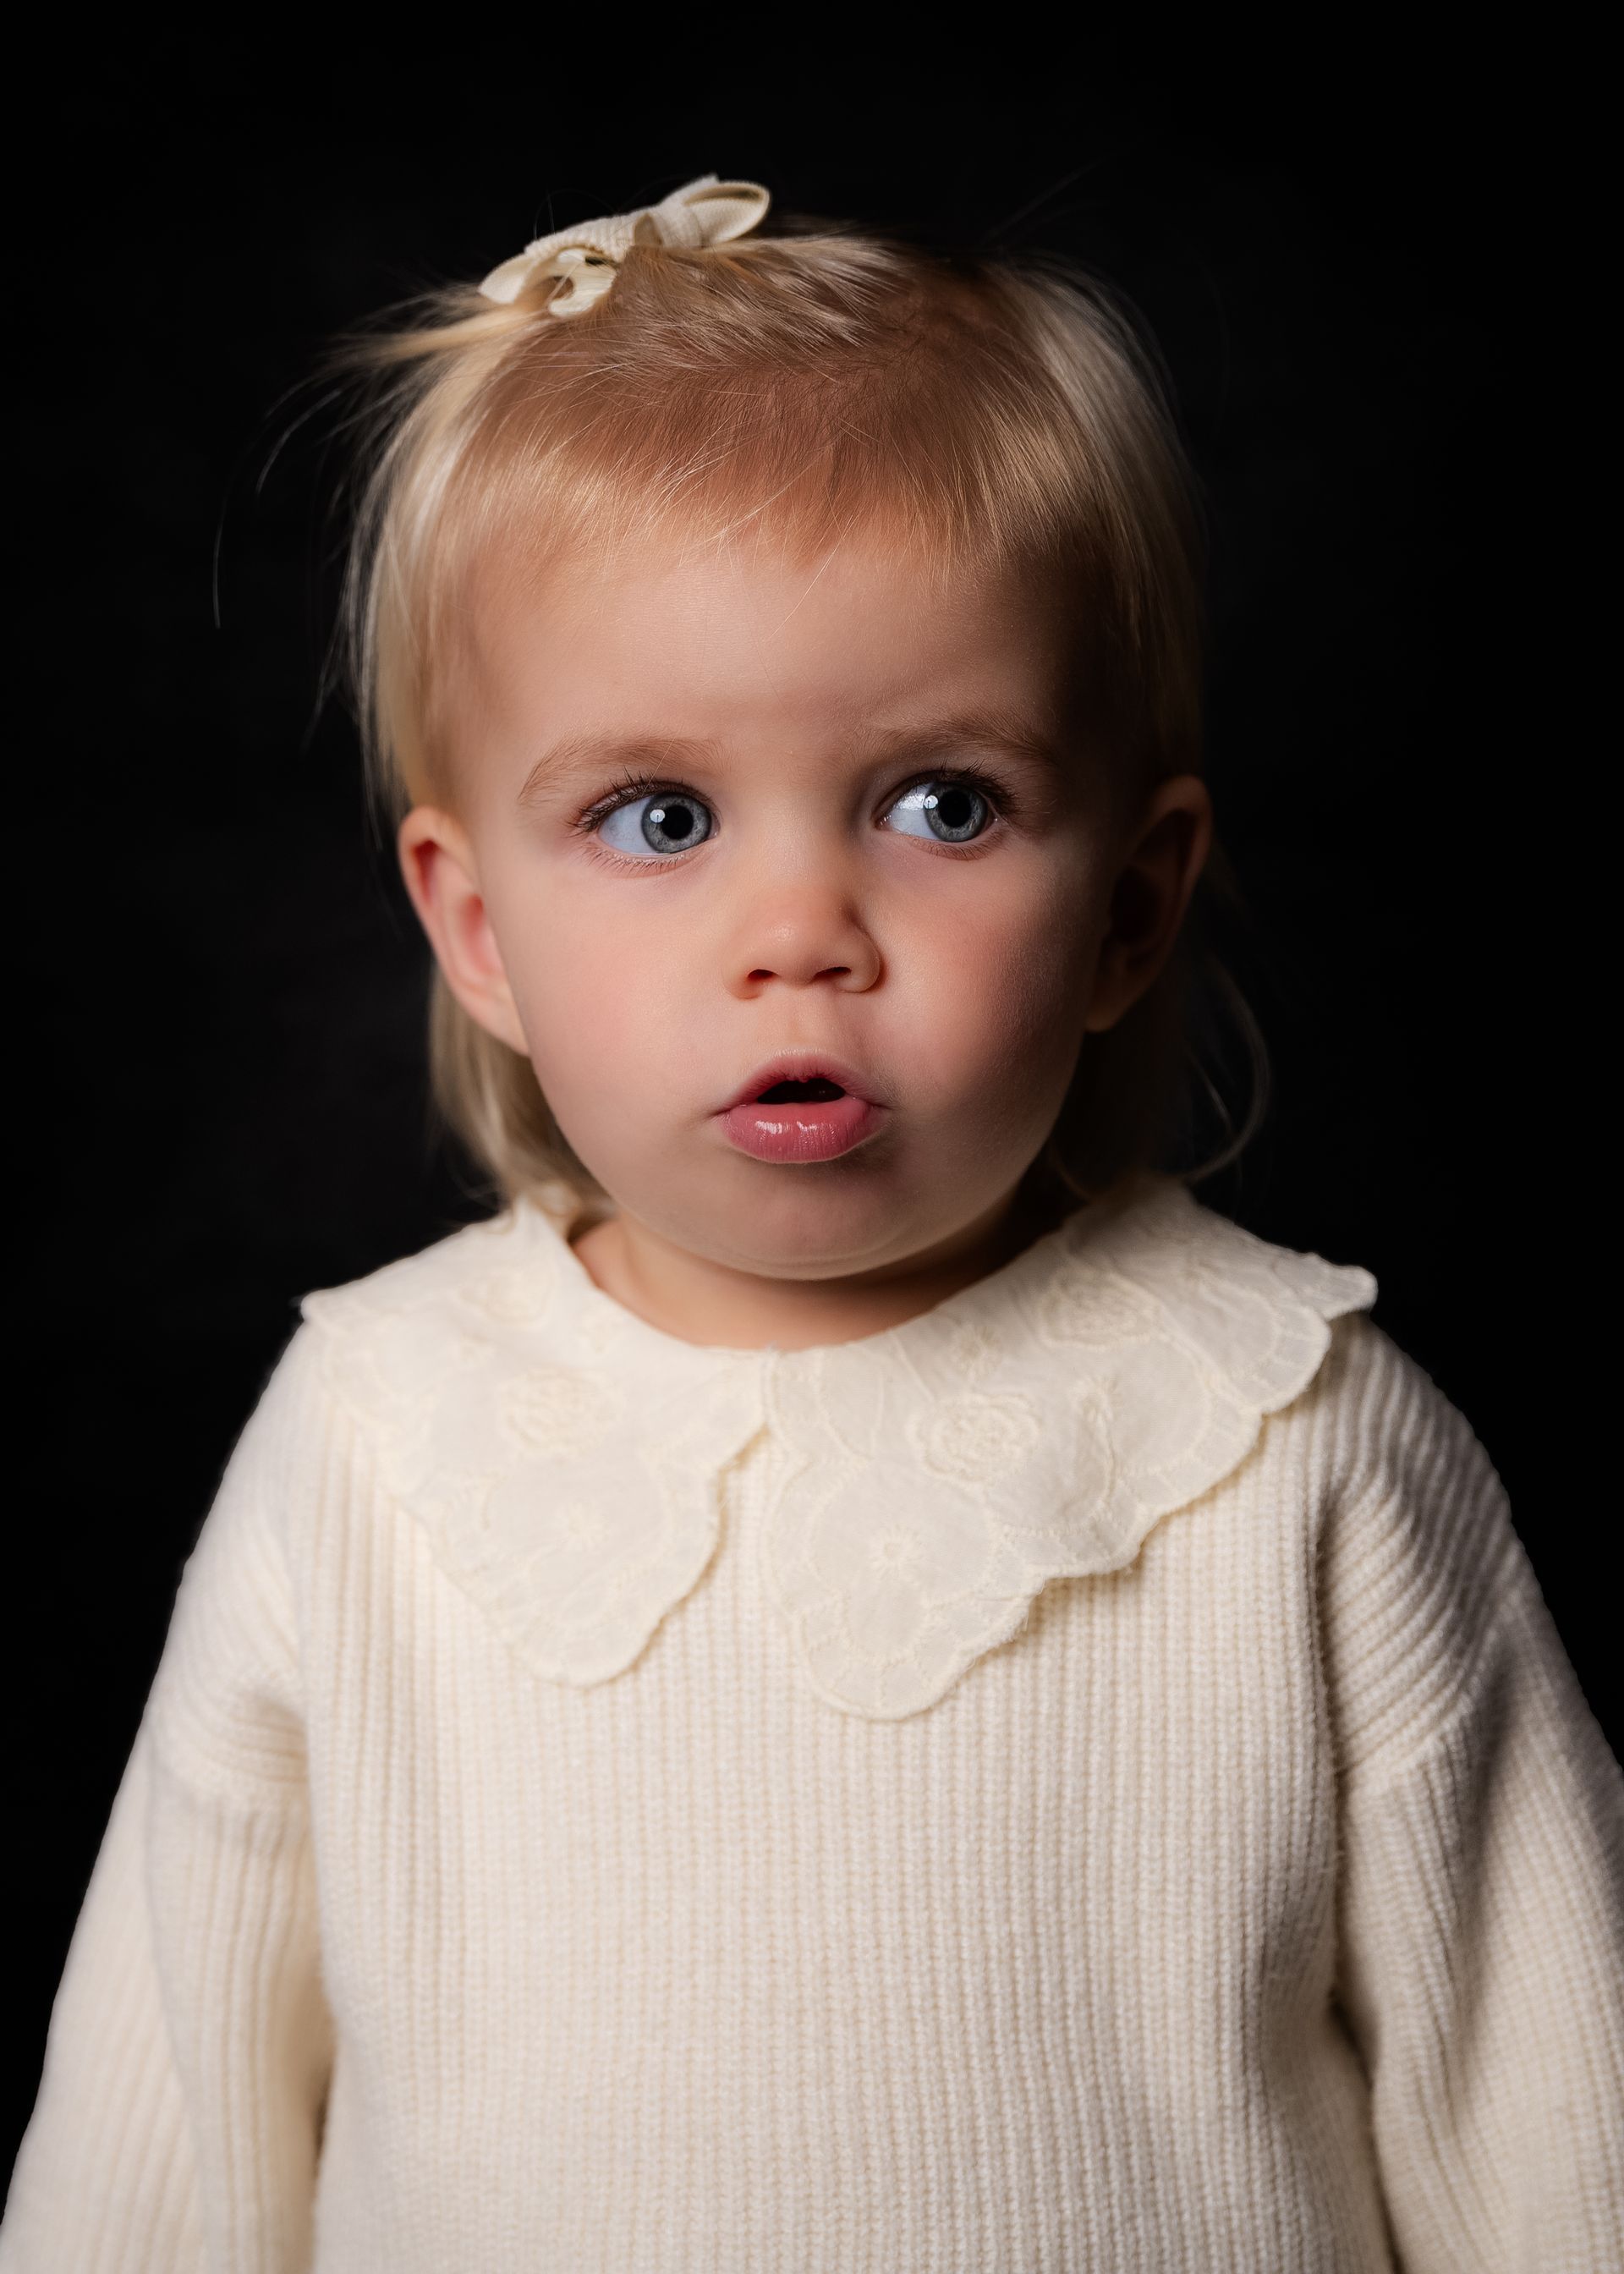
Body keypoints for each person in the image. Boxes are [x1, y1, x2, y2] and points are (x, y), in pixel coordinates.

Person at [4, 172, 1619, 2274]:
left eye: (942, 803)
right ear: (478, 931)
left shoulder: (1297, 1440)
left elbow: (1560, 2125)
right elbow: (158, 2142)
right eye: (658, 817)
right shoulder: (378, 1440)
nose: (799, 934)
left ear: (1129, 906)